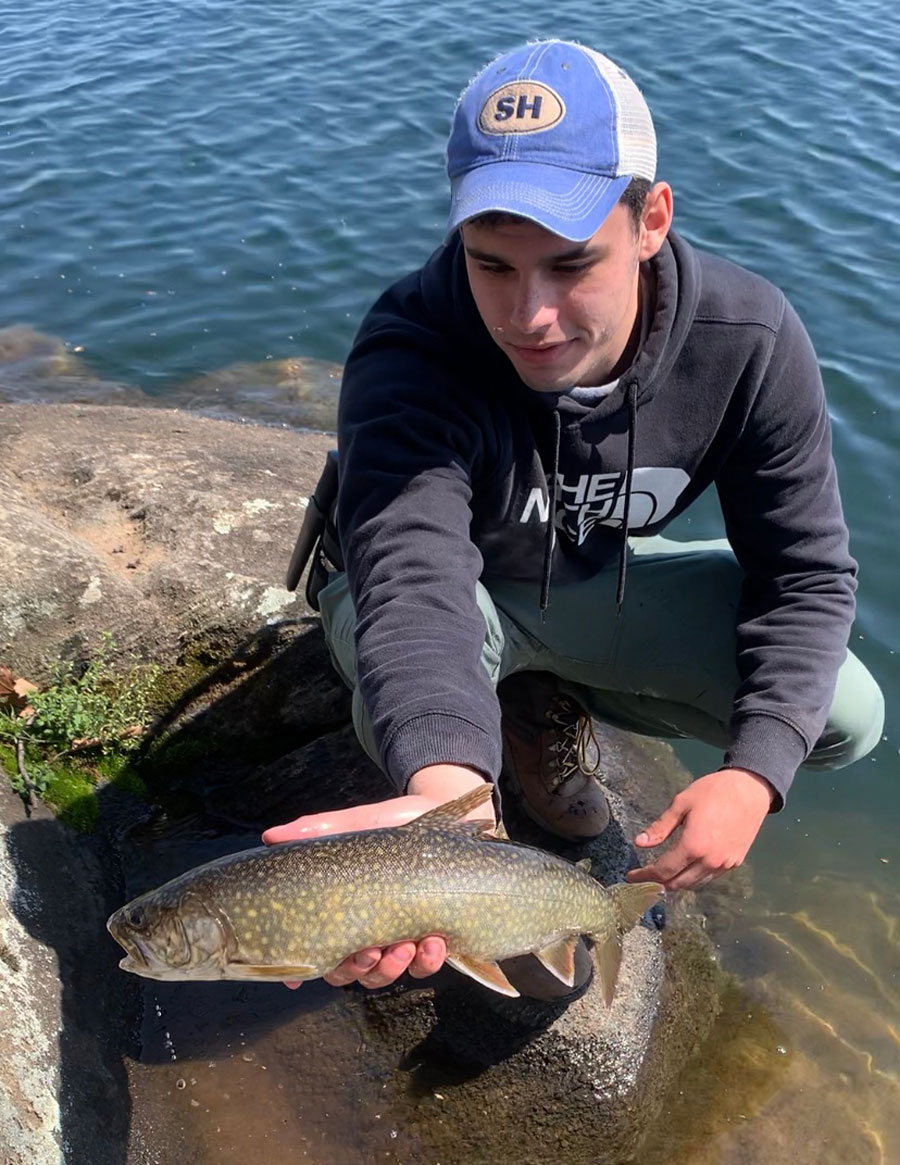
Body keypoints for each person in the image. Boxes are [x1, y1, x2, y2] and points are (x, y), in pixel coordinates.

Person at [264, 39, 884, 997]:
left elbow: (805, 573)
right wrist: (446, 797)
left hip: (579, 569)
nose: (531, 314)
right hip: (439, 598)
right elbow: (413, 579)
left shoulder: (750, 340)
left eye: (570, 263)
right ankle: (493, 730)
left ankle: (539, 700)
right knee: (420, 671)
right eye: (492, 265)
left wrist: (752, 775)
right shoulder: (412, 347)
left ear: (651, 218)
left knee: (843, 716)